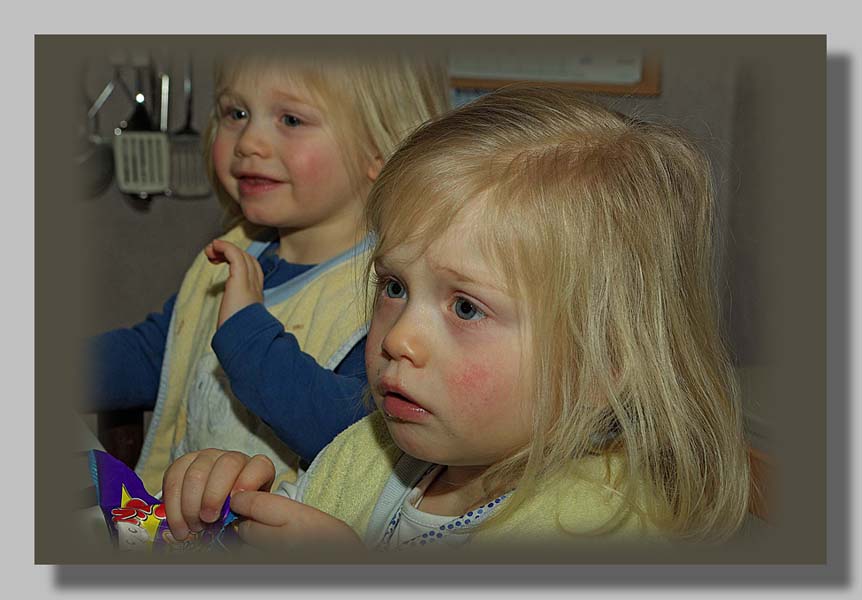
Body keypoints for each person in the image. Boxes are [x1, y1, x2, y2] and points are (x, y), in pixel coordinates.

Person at [160, 84, 751, 553]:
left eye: (465, 306)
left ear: (604, 363)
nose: (399, 338)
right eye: (394, 287)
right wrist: (238, 500)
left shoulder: (597, 526)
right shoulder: (367, 453)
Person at [89, 51, 450, 494]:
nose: (248, 142)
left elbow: (356, 440)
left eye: (291, 120)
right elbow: (159, 354)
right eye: (236, 113)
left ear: (378, 148)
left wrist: (245, 334)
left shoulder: (388, 293)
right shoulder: (237, 248)